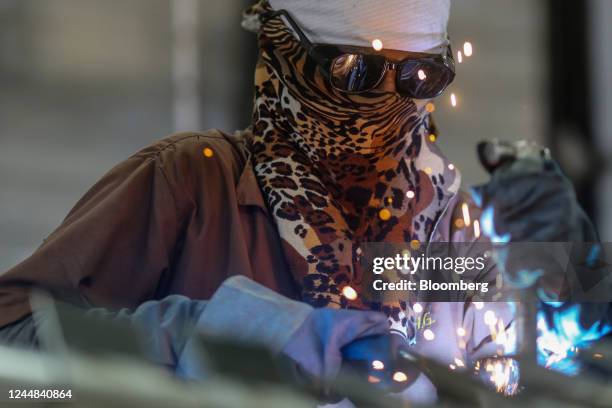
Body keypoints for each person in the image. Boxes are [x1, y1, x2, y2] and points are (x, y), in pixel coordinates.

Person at [0, 0, 598, 402]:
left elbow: (501, 322)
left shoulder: (440, 224)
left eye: (418, 77)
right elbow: (19, 376)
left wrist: (571, 280)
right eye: (356, 73)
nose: (384, 108)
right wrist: (193, 336)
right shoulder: (192, 185)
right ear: (285, 58)